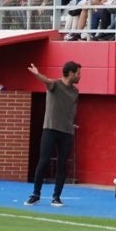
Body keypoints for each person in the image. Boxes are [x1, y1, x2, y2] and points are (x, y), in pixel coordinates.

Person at [24, 59, 82, 206]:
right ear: (70, 73)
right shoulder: (55, 85)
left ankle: (56, 197)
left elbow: (72, 109)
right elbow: (46, 80)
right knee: (43, 162)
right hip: (50, 129)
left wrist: (71, 122)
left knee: (62, 165)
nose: (80, 76)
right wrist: (37, 74)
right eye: (78, 73)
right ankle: (35, 194)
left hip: (66, 131)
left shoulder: (75, 92)